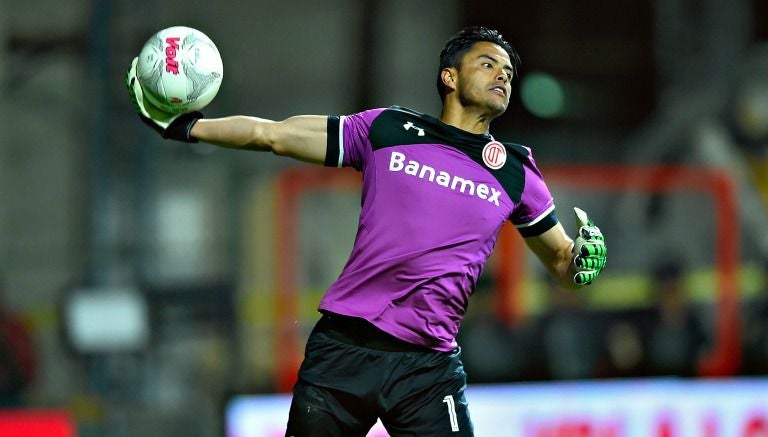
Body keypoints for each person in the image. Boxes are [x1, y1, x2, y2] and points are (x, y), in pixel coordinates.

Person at [126, 26, 607, 437]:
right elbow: (270, 134)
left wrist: (584, 263)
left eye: (507, 70)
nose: (502, 74)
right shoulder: (387, 130)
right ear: (450, 76)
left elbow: (564, 263)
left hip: (428, 367)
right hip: (344, 351)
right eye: (487, 64)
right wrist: (186, 129)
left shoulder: (517, 171)